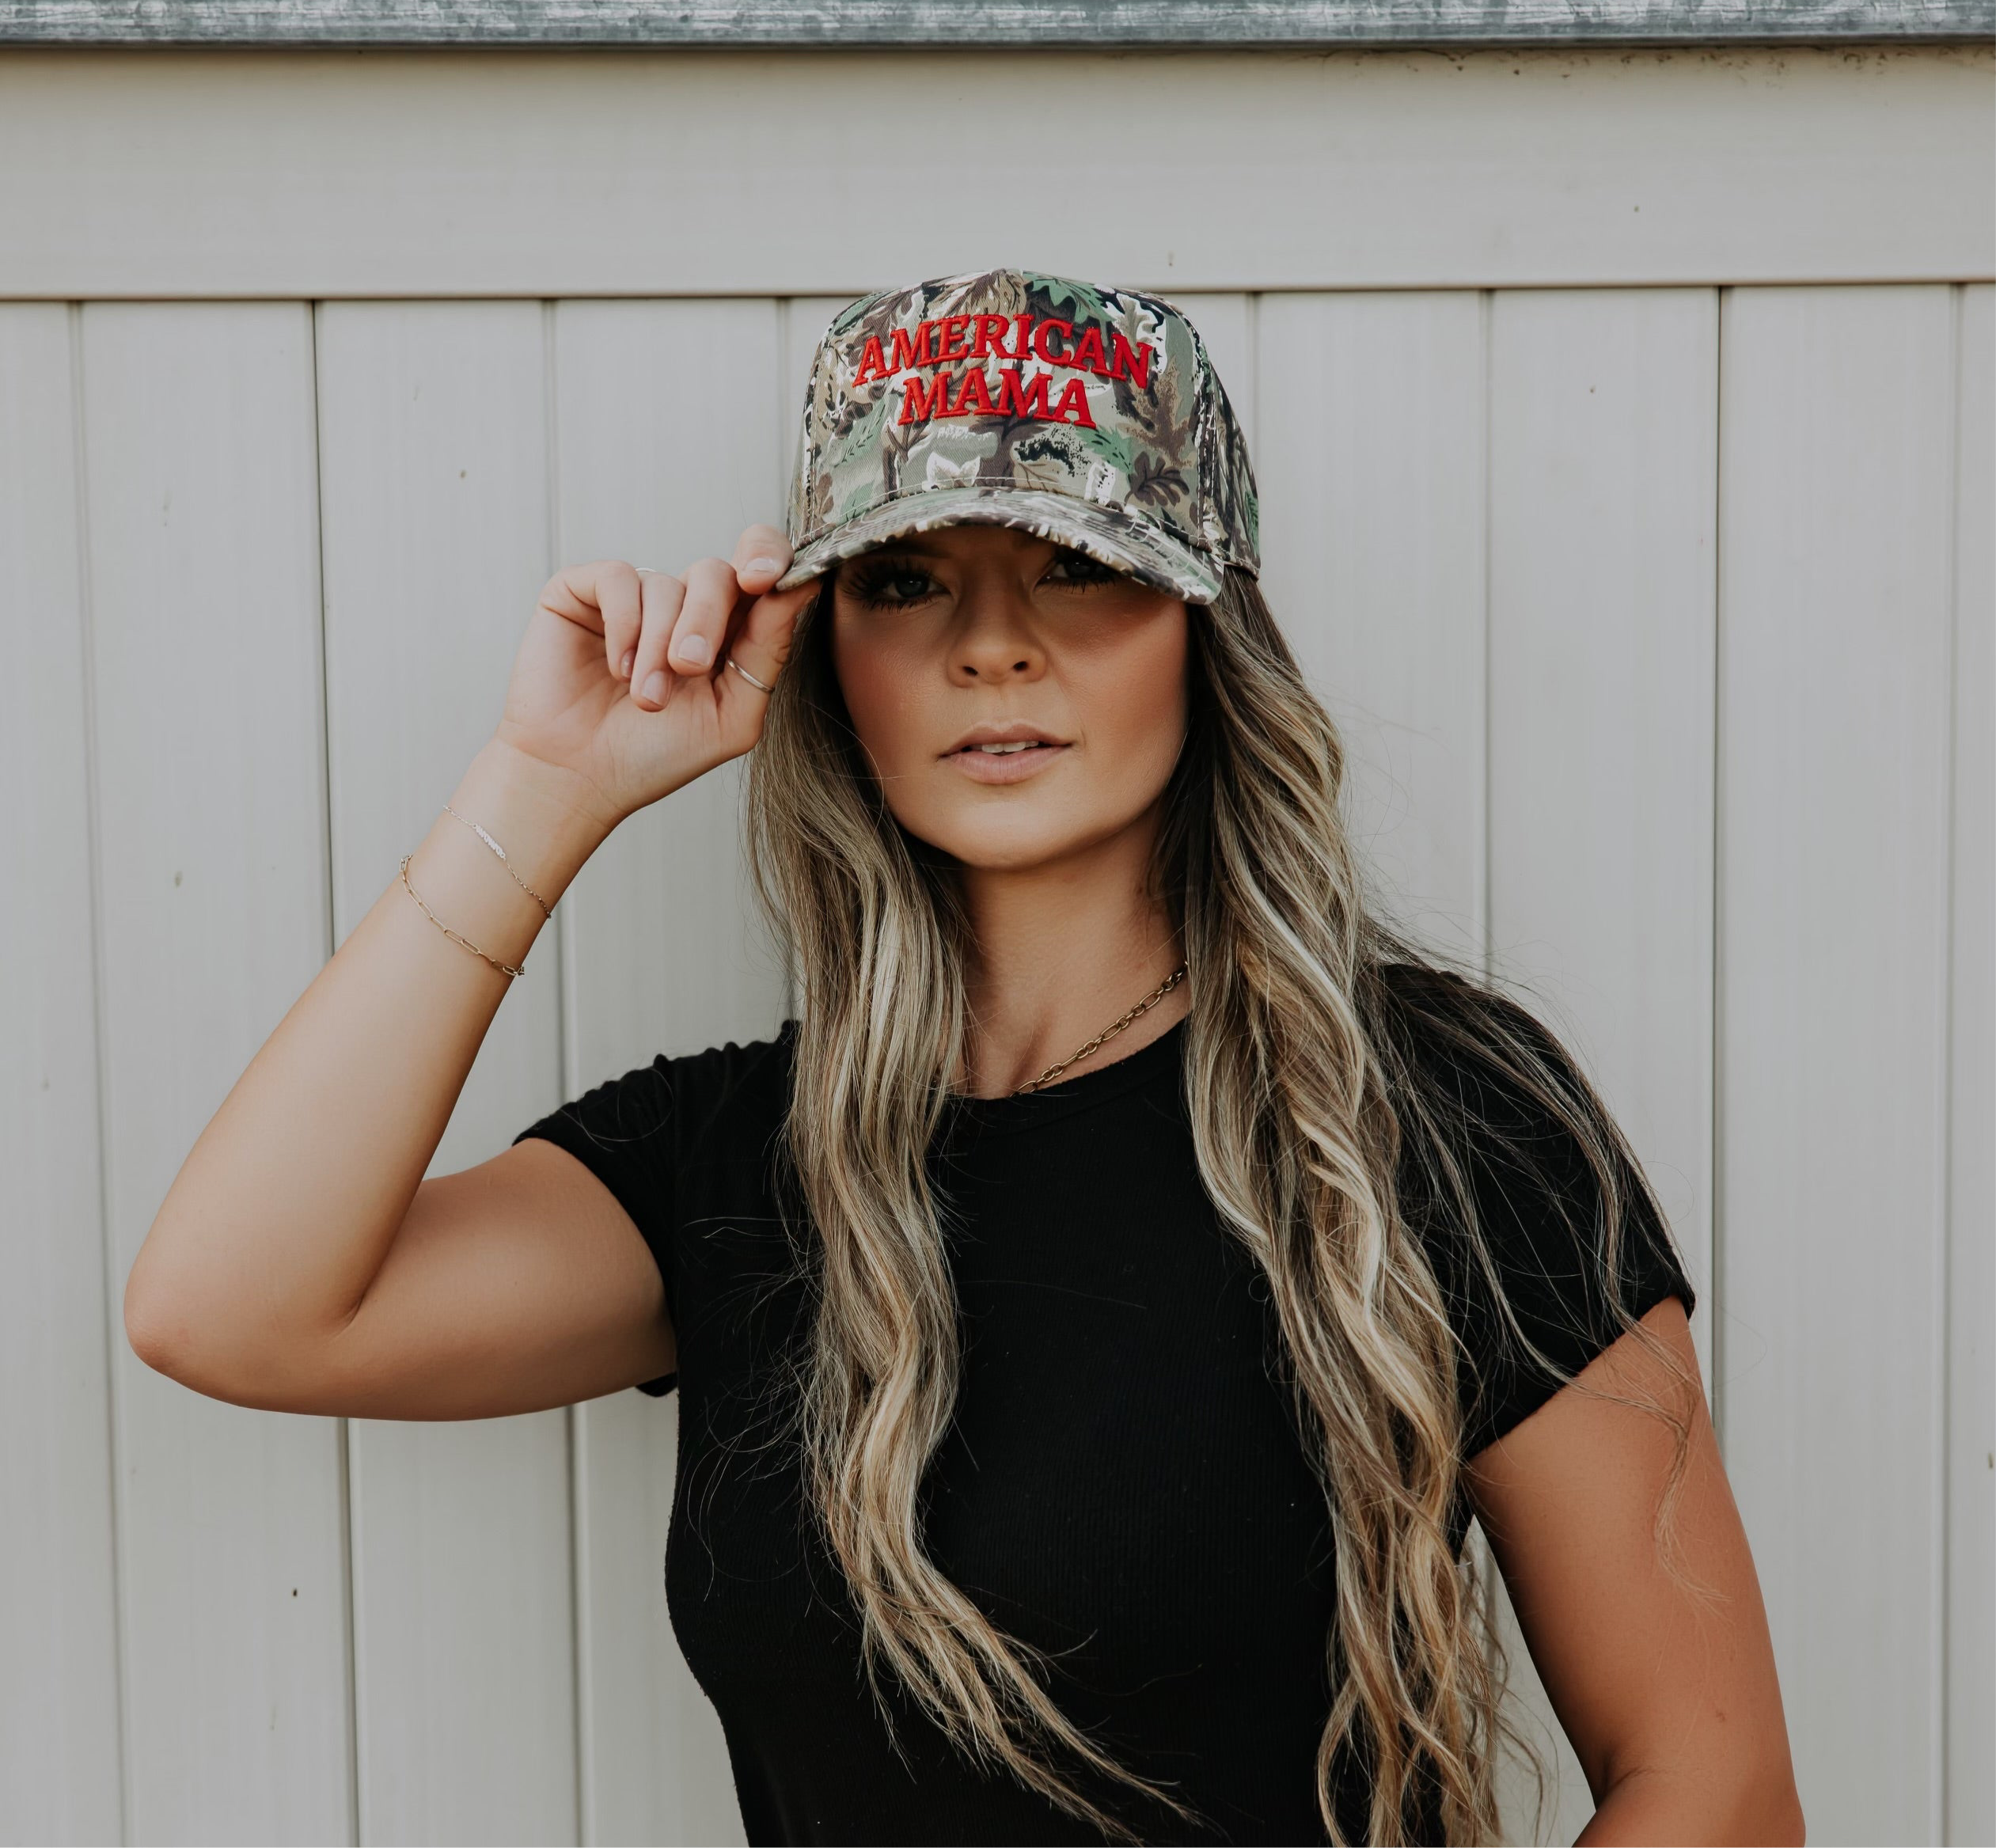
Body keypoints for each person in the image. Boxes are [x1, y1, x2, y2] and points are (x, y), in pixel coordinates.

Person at [124, 268, 1803, 1848]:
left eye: (1080, 566)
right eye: (907, 581)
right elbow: (233, 1308)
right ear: (823, 652)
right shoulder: (733, 1163)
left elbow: (1711, 1786)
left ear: (1206, 628)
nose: (992, 646)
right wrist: (547, 787)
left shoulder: (1435, 1111)